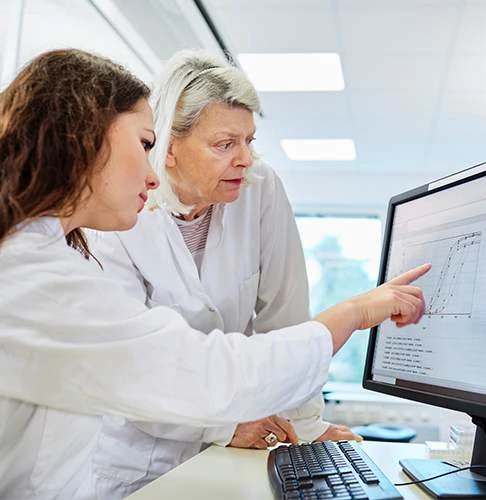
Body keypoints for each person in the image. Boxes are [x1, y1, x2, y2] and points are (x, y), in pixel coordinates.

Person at [0, 48, 429, 500]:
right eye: (145, 145)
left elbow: (265, 327)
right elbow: (198, 372)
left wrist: (304, 424)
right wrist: (353, 313)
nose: (151, 174)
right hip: (127, 463)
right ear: (85, 140)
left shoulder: (40, 256)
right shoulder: (35, 278)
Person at [86, 49, 366, 498]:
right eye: (225, 144)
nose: (245, 159)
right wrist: (222, 425)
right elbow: (125, 367)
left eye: (249, 140)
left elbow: (286, 320)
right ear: (169, 147)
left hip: (234, 452)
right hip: (135, 463)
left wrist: (307, 427)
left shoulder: (260, 189)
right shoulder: (117, 214)